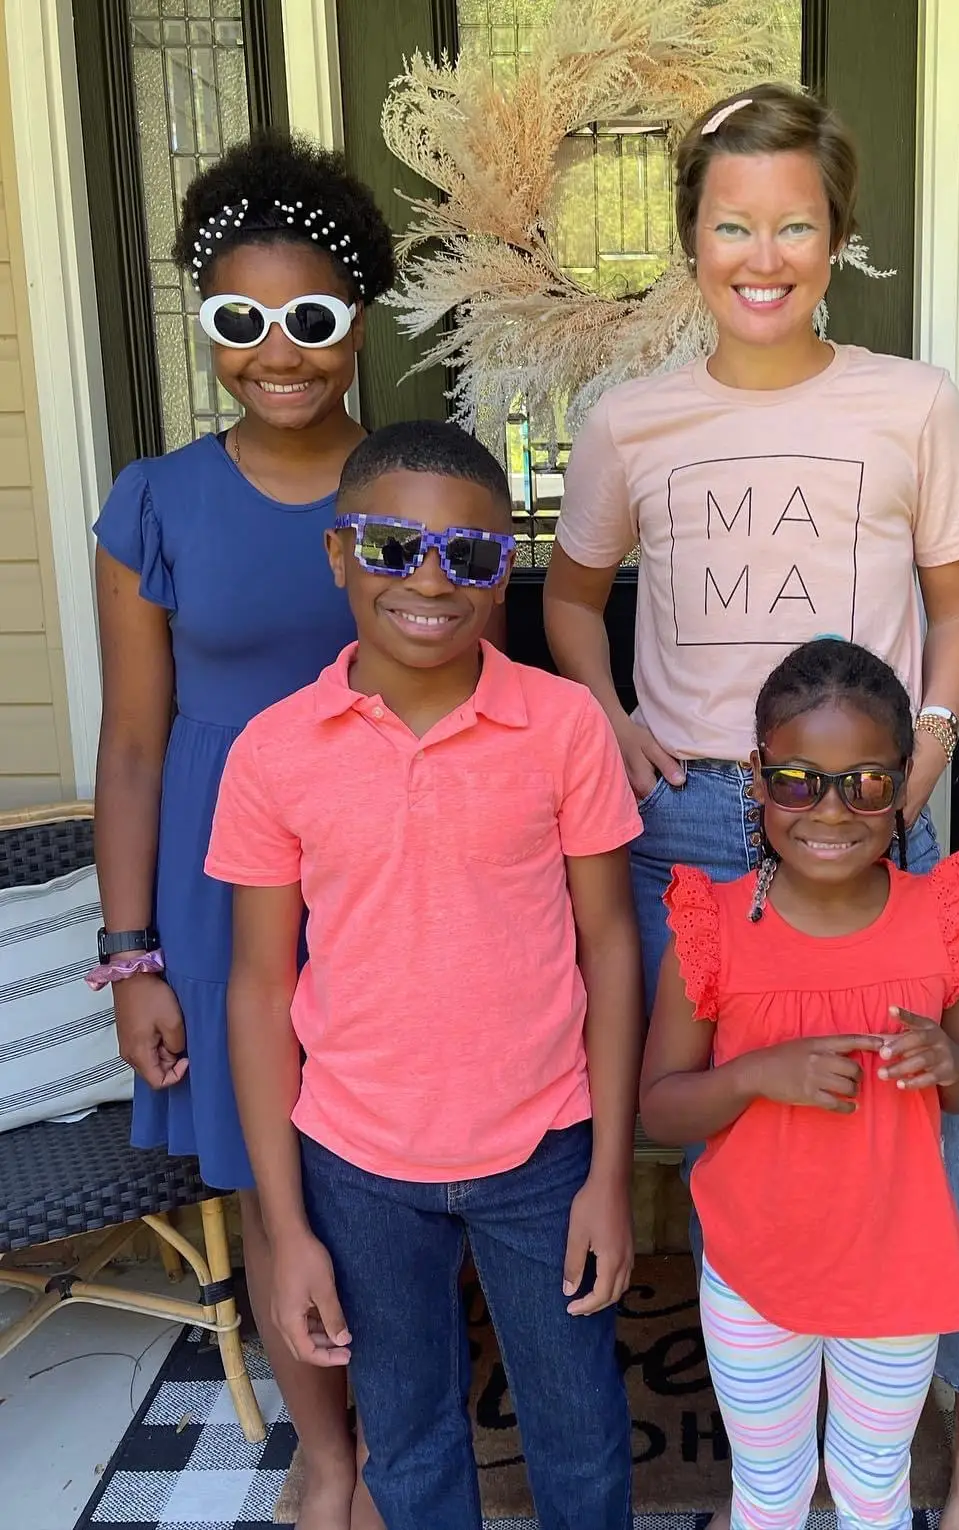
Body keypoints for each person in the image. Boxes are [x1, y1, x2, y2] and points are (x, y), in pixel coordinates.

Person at [544, 83, 959, 1528]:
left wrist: (928, 745)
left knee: (922, 1132)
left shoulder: (910, 402)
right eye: (732, 223)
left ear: (838, 236)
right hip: (694, 821)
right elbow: (570, 597)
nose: (764, 253)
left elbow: (957, 596)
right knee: (706, 1117)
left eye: (794, 223)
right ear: (691, 239)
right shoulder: (630, 417)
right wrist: (613, 721)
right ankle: (755, 1401)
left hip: (871, 808)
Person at [205, 420, 642, 1530]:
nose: (432, 582)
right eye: (394, 547)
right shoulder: (274, 749)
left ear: (507, 572)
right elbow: (259, 988)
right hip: (356, 1162)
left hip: (544, 1152)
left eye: (472, 555)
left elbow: (610, 946)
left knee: (580, 1433)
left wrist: (607, 1173)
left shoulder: (563, 725)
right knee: (404, 1435)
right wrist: (289, 1222)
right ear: (339, 554)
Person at [91, 133, 400, 1529]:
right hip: (225, 905)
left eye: (312, 319)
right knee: (280, 1194)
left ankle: (407, 1446)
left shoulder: (412, 497)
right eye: (240, 321)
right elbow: (136, 741)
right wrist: (131, 951)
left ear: (357, 325)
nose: (279, 352)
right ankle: (327, 1461)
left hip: (396, 881)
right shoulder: (154, 501)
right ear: (206, 329)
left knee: (400, 1180)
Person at [639, 638, 959, 1530]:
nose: (831, 810)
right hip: (756, 1273)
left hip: (896, 1272)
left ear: (905, 782)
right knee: (768, 1490)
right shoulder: (710, 925)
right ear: (757, 777)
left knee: (876, 1487)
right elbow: (661, 1103)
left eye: (867, 783)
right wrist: (759, 1073)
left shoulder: (939, 914)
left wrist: (949, 1065)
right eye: (798, 779)